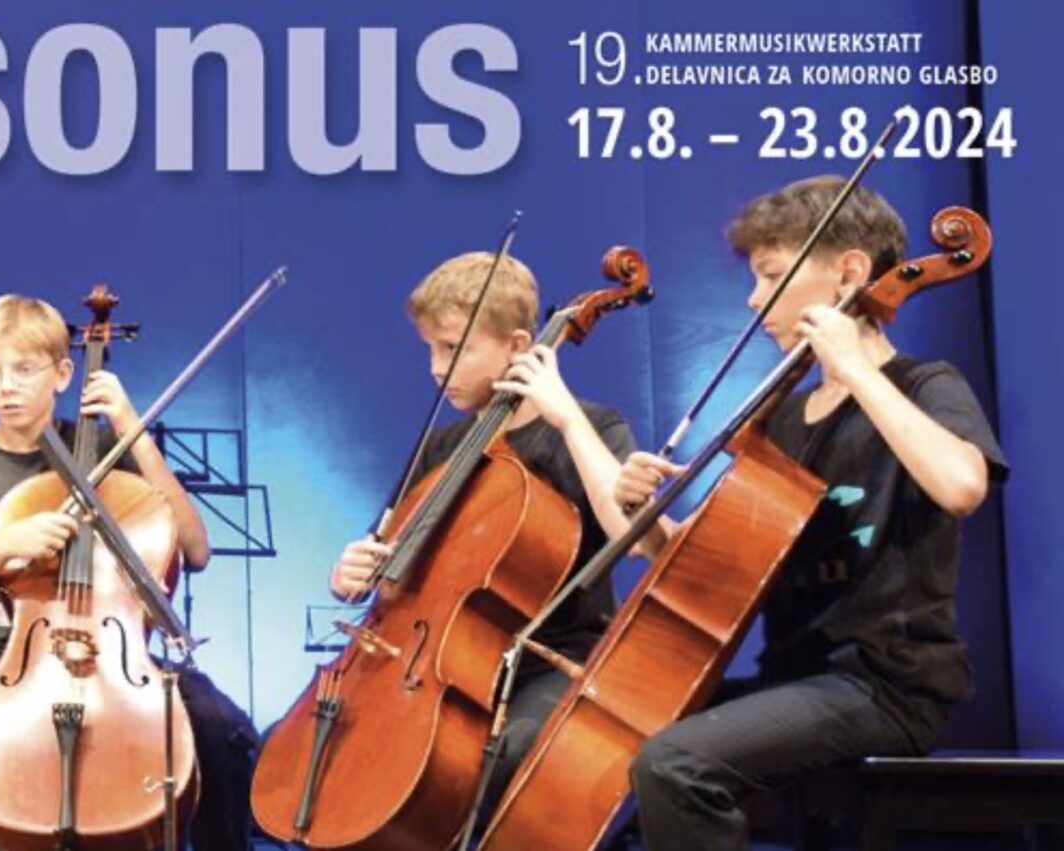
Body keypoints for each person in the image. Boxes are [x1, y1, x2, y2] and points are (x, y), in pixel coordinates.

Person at [616, 177, 1008, 851]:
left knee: (674, 763)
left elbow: (962, 486)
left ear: (849, 273)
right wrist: (644, 517)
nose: (753, 299)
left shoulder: (924, 385)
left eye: (771, 275)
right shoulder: (785, 419)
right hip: (796, 680)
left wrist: (856, 371)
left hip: (885, 683)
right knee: (627, 732)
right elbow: (713, 570)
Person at [0, 294, 258, 851]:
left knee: (220, 726)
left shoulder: (109, 451)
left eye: (23, 370)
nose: (5, 386)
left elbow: (195, 548)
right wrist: (1, 549)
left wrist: (131, 426)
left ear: (64, 374)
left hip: (115, 659)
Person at [328, 251, 635, 813]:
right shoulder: (443, 448)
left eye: (453, 349)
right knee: (333, 747)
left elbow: (632, 535)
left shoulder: (591, 428)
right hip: (438, 667)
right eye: (430, 349)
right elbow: (388, 563)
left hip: (549, 662)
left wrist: (568, 420)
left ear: (518, 346)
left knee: (493, 757)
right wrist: (352, 571)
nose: (435, 369)